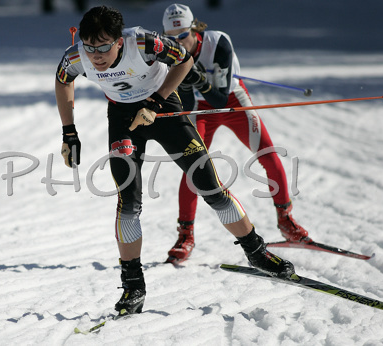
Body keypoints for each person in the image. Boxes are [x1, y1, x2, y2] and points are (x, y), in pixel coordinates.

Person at [55, 5, 295, 315]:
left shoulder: (141, 42)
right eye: (90, 47)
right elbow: (63, 81)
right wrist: (69, 133)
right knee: (128, 203)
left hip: (164, 107)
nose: (96, 55)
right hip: (124, 117)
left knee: (210, 187)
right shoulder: (76, 55)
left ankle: (257, 253)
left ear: (119, 41)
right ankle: (133, 285)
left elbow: (184, 61)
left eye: (103, 46)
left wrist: (155, 102)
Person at [162, 4, 310, 264]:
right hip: (200, 108)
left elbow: (219, 97)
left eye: (183, 35)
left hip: (232, 100)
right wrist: (188, 83)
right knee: (193, 167)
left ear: (194, 29)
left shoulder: (218, 42)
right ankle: (185, 235)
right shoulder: (169, 53)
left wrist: (196, 79)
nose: (179, 44)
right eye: (171, 39)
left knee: (267, 154)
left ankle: (286, 221)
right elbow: (185, 105)